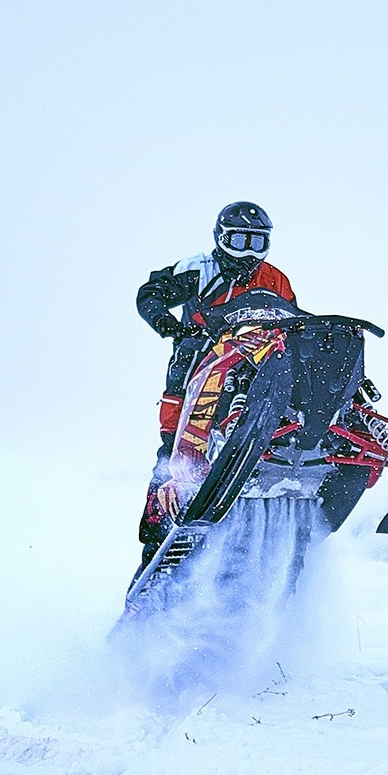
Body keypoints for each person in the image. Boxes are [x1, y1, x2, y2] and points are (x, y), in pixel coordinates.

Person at [133, 201, 296, 574]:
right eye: (239, 240)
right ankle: (156, 545)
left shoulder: (277, 280)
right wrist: (170, 325)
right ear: (221, 239)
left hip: (254, 370)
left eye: (257, 242)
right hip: (196, 369)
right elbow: (151, 292)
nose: (248, 252)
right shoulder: (199, 269)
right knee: (169, 454)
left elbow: (294, 322)